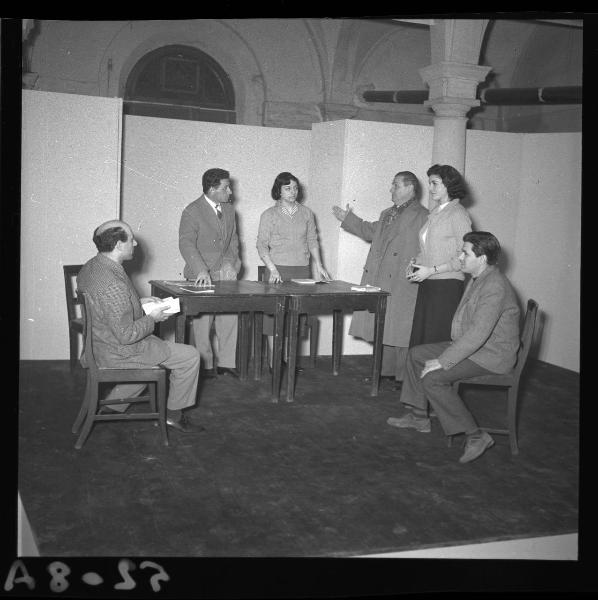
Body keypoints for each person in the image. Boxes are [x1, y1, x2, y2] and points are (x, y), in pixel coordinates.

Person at [388, 232, 520, 463]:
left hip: (491, 355)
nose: (459, 257)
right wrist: (447, 353)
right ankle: (419, 416)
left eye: (465, 253)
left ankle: (476, 436)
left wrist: (443, 360)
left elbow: (479, 333)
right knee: (416, 354)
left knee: (433, 378)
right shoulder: (481, 276)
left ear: (482, 258)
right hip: (478, 347)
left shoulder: (495, 286)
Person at [77, 220, 203, 433]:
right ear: (118, 245)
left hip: (99, 343)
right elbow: (126, 335)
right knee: (189, 356)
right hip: (118, 352)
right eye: (131, 239)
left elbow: (108, 310)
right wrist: (153, 318)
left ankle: (112, 407)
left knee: (154, 358)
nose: (135, 243)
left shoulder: (93, 266)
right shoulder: (113, 283)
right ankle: (174, 416)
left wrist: (141, 303)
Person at [332, 171, 428, 386]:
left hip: (404, 280)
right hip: (381, 277)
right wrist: (348, 219)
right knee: (384, 326)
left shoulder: (423, 215)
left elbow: (428, 247)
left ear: (410, 188)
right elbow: (371, 231)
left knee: (402, 330)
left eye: (395, 185)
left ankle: (404, 379)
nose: (391, 189)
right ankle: (383, 372)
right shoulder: (388, 213)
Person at [257, 172, 331, 367]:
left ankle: (288, 363)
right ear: (278, 191)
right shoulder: (269, 215)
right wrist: (272, 269)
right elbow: (262, 245)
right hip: (277, 272)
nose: (293, 192)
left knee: (295, 321)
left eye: (295, 188)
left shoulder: (307, 213)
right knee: (274, 322)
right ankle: (275, 365)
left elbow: (312, 240)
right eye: (287, 188)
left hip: (301, 272)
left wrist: (319, 264)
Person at [179, 168, 241, 378]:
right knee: (201, 324)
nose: (230, 191)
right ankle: (204, 366)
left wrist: (231, 264)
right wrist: (201, 270)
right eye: (226, 187)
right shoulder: (192, 211)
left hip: (226, 275)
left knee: (229, 319)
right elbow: (186, 244)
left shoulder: (230, 210)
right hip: (201, 276)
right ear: (213, 189)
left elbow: (233, 242)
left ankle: (227, 363)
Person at [406, 164, 472, 347]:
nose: (430, 188)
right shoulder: (435, 213)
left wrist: (432, 270)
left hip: (446, 286)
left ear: (448, 185)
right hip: (429, 284)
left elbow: (465, 256)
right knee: (422, 339)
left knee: (436, 340)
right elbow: (428, 249)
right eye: (429, 183)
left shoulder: (458, 213)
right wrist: (415, 263)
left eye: (435, 183)